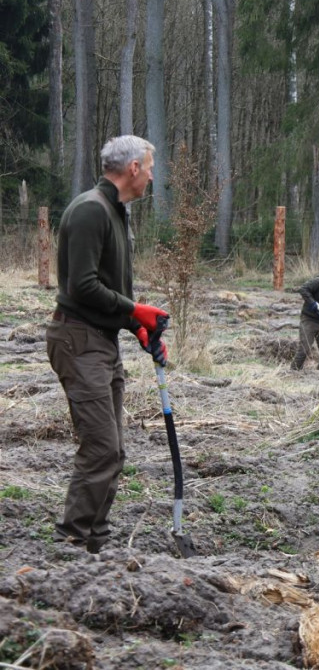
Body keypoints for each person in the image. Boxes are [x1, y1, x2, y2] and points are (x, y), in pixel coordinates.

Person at [46, 135, 168, 554]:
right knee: (101, 447)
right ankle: (73, 538)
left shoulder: (116, 213)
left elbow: (106, 287)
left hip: (101, 339)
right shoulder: (89, 212)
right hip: (78, 340)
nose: (153, 174)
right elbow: (81, 287)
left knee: (114, 450)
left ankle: (95, 537)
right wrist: (136, 310)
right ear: (132, 168)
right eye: (150, 166)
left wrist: (138, 329)